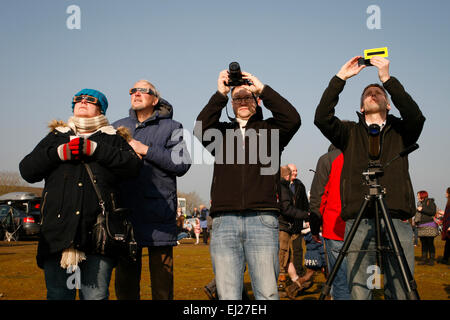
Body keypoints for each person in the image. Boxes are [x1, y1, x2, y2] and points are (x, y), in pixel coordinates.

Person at [314, 56, 426, 300]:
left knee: (401, 288)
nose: (373, 93)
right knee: (360, 289)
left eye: (379, 92)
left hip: (395, 216)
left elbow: (416, 117)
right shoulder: (349, 133)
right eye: (367, 93)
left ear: (388, 104)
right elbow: (321, 118)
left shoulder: (401, 132)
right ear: (362, 108)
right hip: (359, 218)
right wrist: (340, 78)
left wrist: (386, 78)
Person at [19, 89, 142, 300]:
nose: (82, 101)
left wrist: (96, 149)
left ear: (101, 108)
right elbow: (27, 169)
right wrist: (59, 153)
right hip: (58, 232)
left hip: (99, 233)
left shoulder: (113, 138)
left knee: (95, 296)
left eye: (90, 99)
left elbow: (133, 167)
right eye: (78, 99)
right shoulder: (56, 136)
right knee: (58, 295)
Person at [195, 68, 301, 299]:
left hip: (262, 219)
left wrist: (262, 88)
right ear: (230, 105)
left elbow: (293, 118)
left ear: (256, 100)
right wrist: (220, 93)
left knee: (266, 293)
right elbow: (200, 128)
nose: (242, 101)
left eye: (248, 97)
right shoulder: (221, 134)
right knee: (229, 294)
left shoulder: (271, 131)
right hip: (224, 220)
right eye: (237, 98)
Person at [113, 79, 191, 300]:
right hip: (125, 215)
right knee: (125, 285)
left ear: (155, 99)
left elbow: (182, 164)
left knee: (162, 287)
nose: (136, 94)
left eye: (142, 90)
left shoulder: (172, 127)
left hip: (158, 215)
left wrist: (145, 149)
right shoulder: (117, 127)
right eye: (133, 90)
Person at [309, 145, 351, 300]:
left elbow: (318, 196)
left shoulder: (328, 159)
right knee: (363, 280)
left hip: (336, 228)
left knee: (340, 281)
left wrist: (314, 228)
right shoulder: (364, 154)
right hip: (362, 227)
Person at [278, 165, 311, 299]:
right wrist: (306, 215)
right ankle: (289, 283)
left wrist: (305, 215)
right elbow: (287, 209)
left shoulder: (296, 186)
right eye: (291, 172)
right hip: (283, 225)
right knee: (283, 256)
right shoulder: (283, 188)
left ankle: (296, 281)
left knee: (287, 256)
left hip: (288, 226)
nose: (293, 174)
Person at [287, 163, 309, 278]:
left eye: (296, 170)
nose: (295, 172)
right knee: (285, 251)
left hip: (297, 222)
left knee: (298, 249)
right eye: (293, 171)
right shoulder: (282, 185)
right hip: (285, 223)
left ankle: (299, 272)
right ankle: (285, 274)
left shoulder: (300, 185)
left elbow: (305, 202)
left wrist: (307, 218)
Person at [415, 190, 439, 266]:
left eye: (418, 195)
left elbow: (433, 212)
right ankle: (424, 259)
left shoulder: (430, 202)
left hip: (429, 226)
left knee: (430, 243)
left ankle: (431, 260)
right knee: (424, 244)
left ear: (422, 195)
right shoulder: (419, 203)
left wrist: (422, 209)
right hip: (421, 226)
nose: (417, 197)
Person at [438, 187, 450, 265]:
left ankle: (445, 259)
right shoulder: (448, 203)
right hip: (447, 226)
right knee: (448, 244)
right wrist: (443, 213)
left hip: (449, 226)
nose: (445, 194)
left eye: (446, 192)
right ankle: (445, 259)